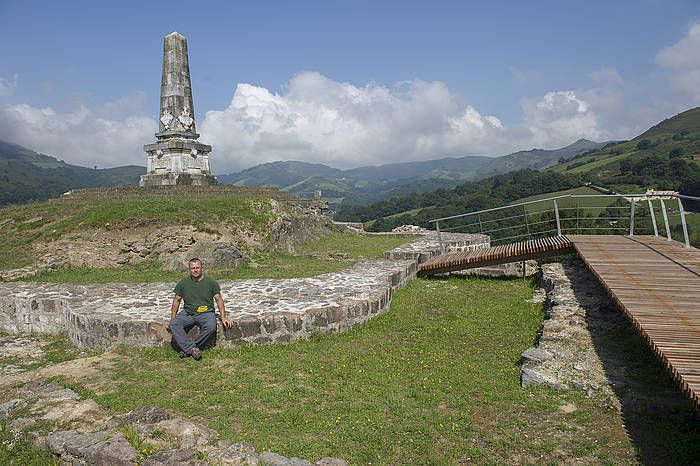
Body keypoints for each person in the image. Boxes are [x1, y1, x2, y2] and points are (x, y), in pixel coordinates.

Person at [167, 258, 233, 360]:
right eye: (193, 268)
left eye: (197, 267)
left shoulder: (211, 282)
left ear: (201, 268)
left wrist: (223, 317)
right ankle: (192, 349)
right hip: (188, 313)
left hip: (206, 312)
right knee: (174, 324)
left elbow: (219, 300)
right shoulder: (183, 283)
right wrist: (173, 318)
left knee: (211, 327)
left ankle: (189, 349)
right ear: (189, 269)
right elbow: (176, 300)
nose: (195, 270)